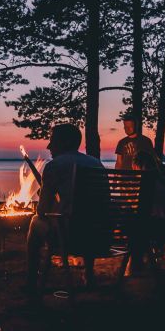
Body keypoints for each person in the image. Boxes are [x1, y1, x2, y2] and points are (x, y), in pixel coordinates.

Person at [26, 123, 105, 297]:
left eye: (52, 141)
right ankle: (89, 275)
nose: (48, 146)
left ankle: (31, 281)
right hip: (100, 237)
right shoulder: (96, 163)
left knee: (35, 221)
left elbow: (42, 211)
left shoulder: (55, 165)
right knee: (87, 218)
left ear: (65, 142)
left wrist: (50, 201)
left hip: (71, 236)